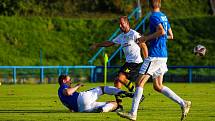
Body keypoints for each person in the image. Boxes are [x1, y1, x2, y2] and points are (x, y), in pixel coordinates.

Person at [116, 0, 191, 121]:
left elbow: (161, 31)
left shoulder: (154, 16)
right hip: (163, 55)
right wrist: (155, 37)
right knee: (158, 86)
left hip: (155, 55)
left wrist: (145, 38)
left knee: (139, 83)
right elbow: (170, 35)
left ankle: (133, 113)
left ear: (149, 5)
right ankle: (183, 103)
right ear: (159, 4)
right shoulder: (164, 16)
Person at [90, 16, 148, 110]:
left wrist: (146, 60)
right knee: (117, 81)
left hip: (136, 63)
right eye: (119, 24)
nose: (120, 26)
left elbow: (144, 45)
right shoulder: (121, 36)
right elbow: (110, 43)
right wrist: (97, 45)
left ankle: (137, 95)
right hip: (128, 63)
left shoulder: (134, 34)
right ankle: (120, 106)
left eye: (122, 24)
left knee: (121, 77)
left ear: (127, 23)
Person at [58, 74, 133, 113]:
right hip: (82, 99)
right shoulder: (63, 86)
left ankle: (103, 109)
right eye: (69, 80)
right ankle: (122, 92)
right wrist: (77, 86)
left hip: (82, 109)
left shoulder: (60, 94)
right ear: (64, 81)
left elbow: (70, 106)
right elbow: (68, 92)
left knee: (115, 104)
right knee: (102, 89)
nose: (70, 81)